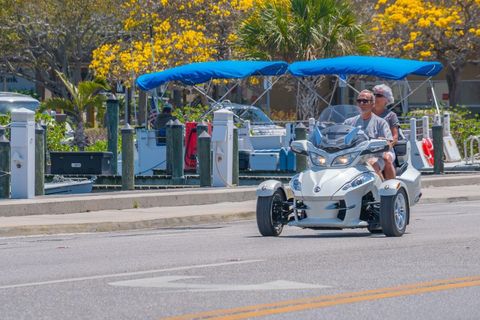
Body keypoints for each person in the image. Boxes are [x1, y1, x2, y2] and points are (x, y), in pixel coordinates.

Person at [344, 89, 393, 180]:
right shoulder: (348, 122)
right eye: (359, 101)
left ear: (372, 104)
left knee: (372, 164)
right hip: (354, 156)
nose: (361, 103)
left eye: (365, 101)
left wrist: (383, 142)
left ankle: (382, 190)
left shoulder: (381, 122)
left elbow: (389, 143)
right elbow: (341, 138)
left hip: (377, 155)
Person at [372, 84, 399, 180]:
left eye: (379, 95)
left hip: (386, 149)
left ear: (386, 100)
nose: (375, 97)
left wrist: (386, 147)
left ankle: (390, 187)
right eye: (374, 94)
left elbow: (395, 137)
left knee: (387, 158)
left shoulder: (391, 116)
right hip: (367, 149)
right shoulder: (366, 113)